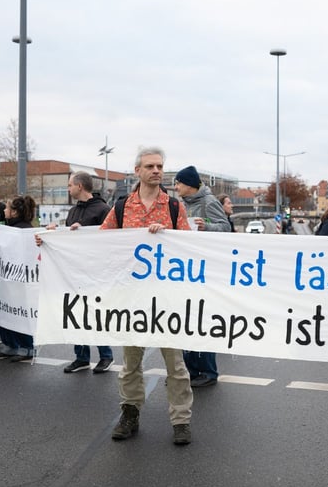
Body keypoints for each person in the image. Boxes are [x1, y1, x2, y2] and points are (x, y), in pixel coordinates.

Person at [100, 146, 194, 445]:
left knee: (175, 365)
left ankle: (181, 420)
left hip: (167, 299)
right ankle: (130, 413)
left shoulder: (174, 207)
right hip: (132, 299)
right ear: (137, 171)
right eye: (150, 166)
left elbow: (191, 247)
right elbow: (99, 240)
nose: (156, 171)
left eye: (160, 166)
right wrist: (67, 236)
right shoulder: (122, 207)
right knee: (130, 362)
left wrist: (168, 236)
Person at [48, 171, 115, 374]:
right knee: (76, 313)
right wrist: (54, 233)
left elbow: (111, 238)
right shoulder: (72, 211)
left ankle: (106, 355)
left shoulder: (103, 209)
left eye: (69, 185)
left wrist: (84, 229)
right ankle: (82, 357)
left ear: (80, 186)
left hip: (96, 271)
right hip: (74, 271)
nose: (68, 189)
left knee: (95, 314)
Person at [173, 165, 231, 387]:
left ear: (189, 184)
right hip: (188, 269)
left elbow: (225, 228)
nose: (176, 187)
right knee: (188, 321)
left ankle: (208, 372)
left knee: (204, 321)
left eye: (178, 183)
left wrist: (206, 225)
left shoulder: (208, 202)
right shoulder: (182, 204)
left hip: (206, 270)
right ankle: (191, 370)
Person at [0, 195, 39, 363]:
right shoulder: (10, 228)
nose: (4, 211)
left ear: (14, 212)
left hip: (18, 280)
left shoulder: (22, 230)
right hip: (6, 278)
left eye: (7, 208)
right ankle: (9, 344)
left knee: (18, 313)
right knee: (3, 312)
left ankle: (26, 346)